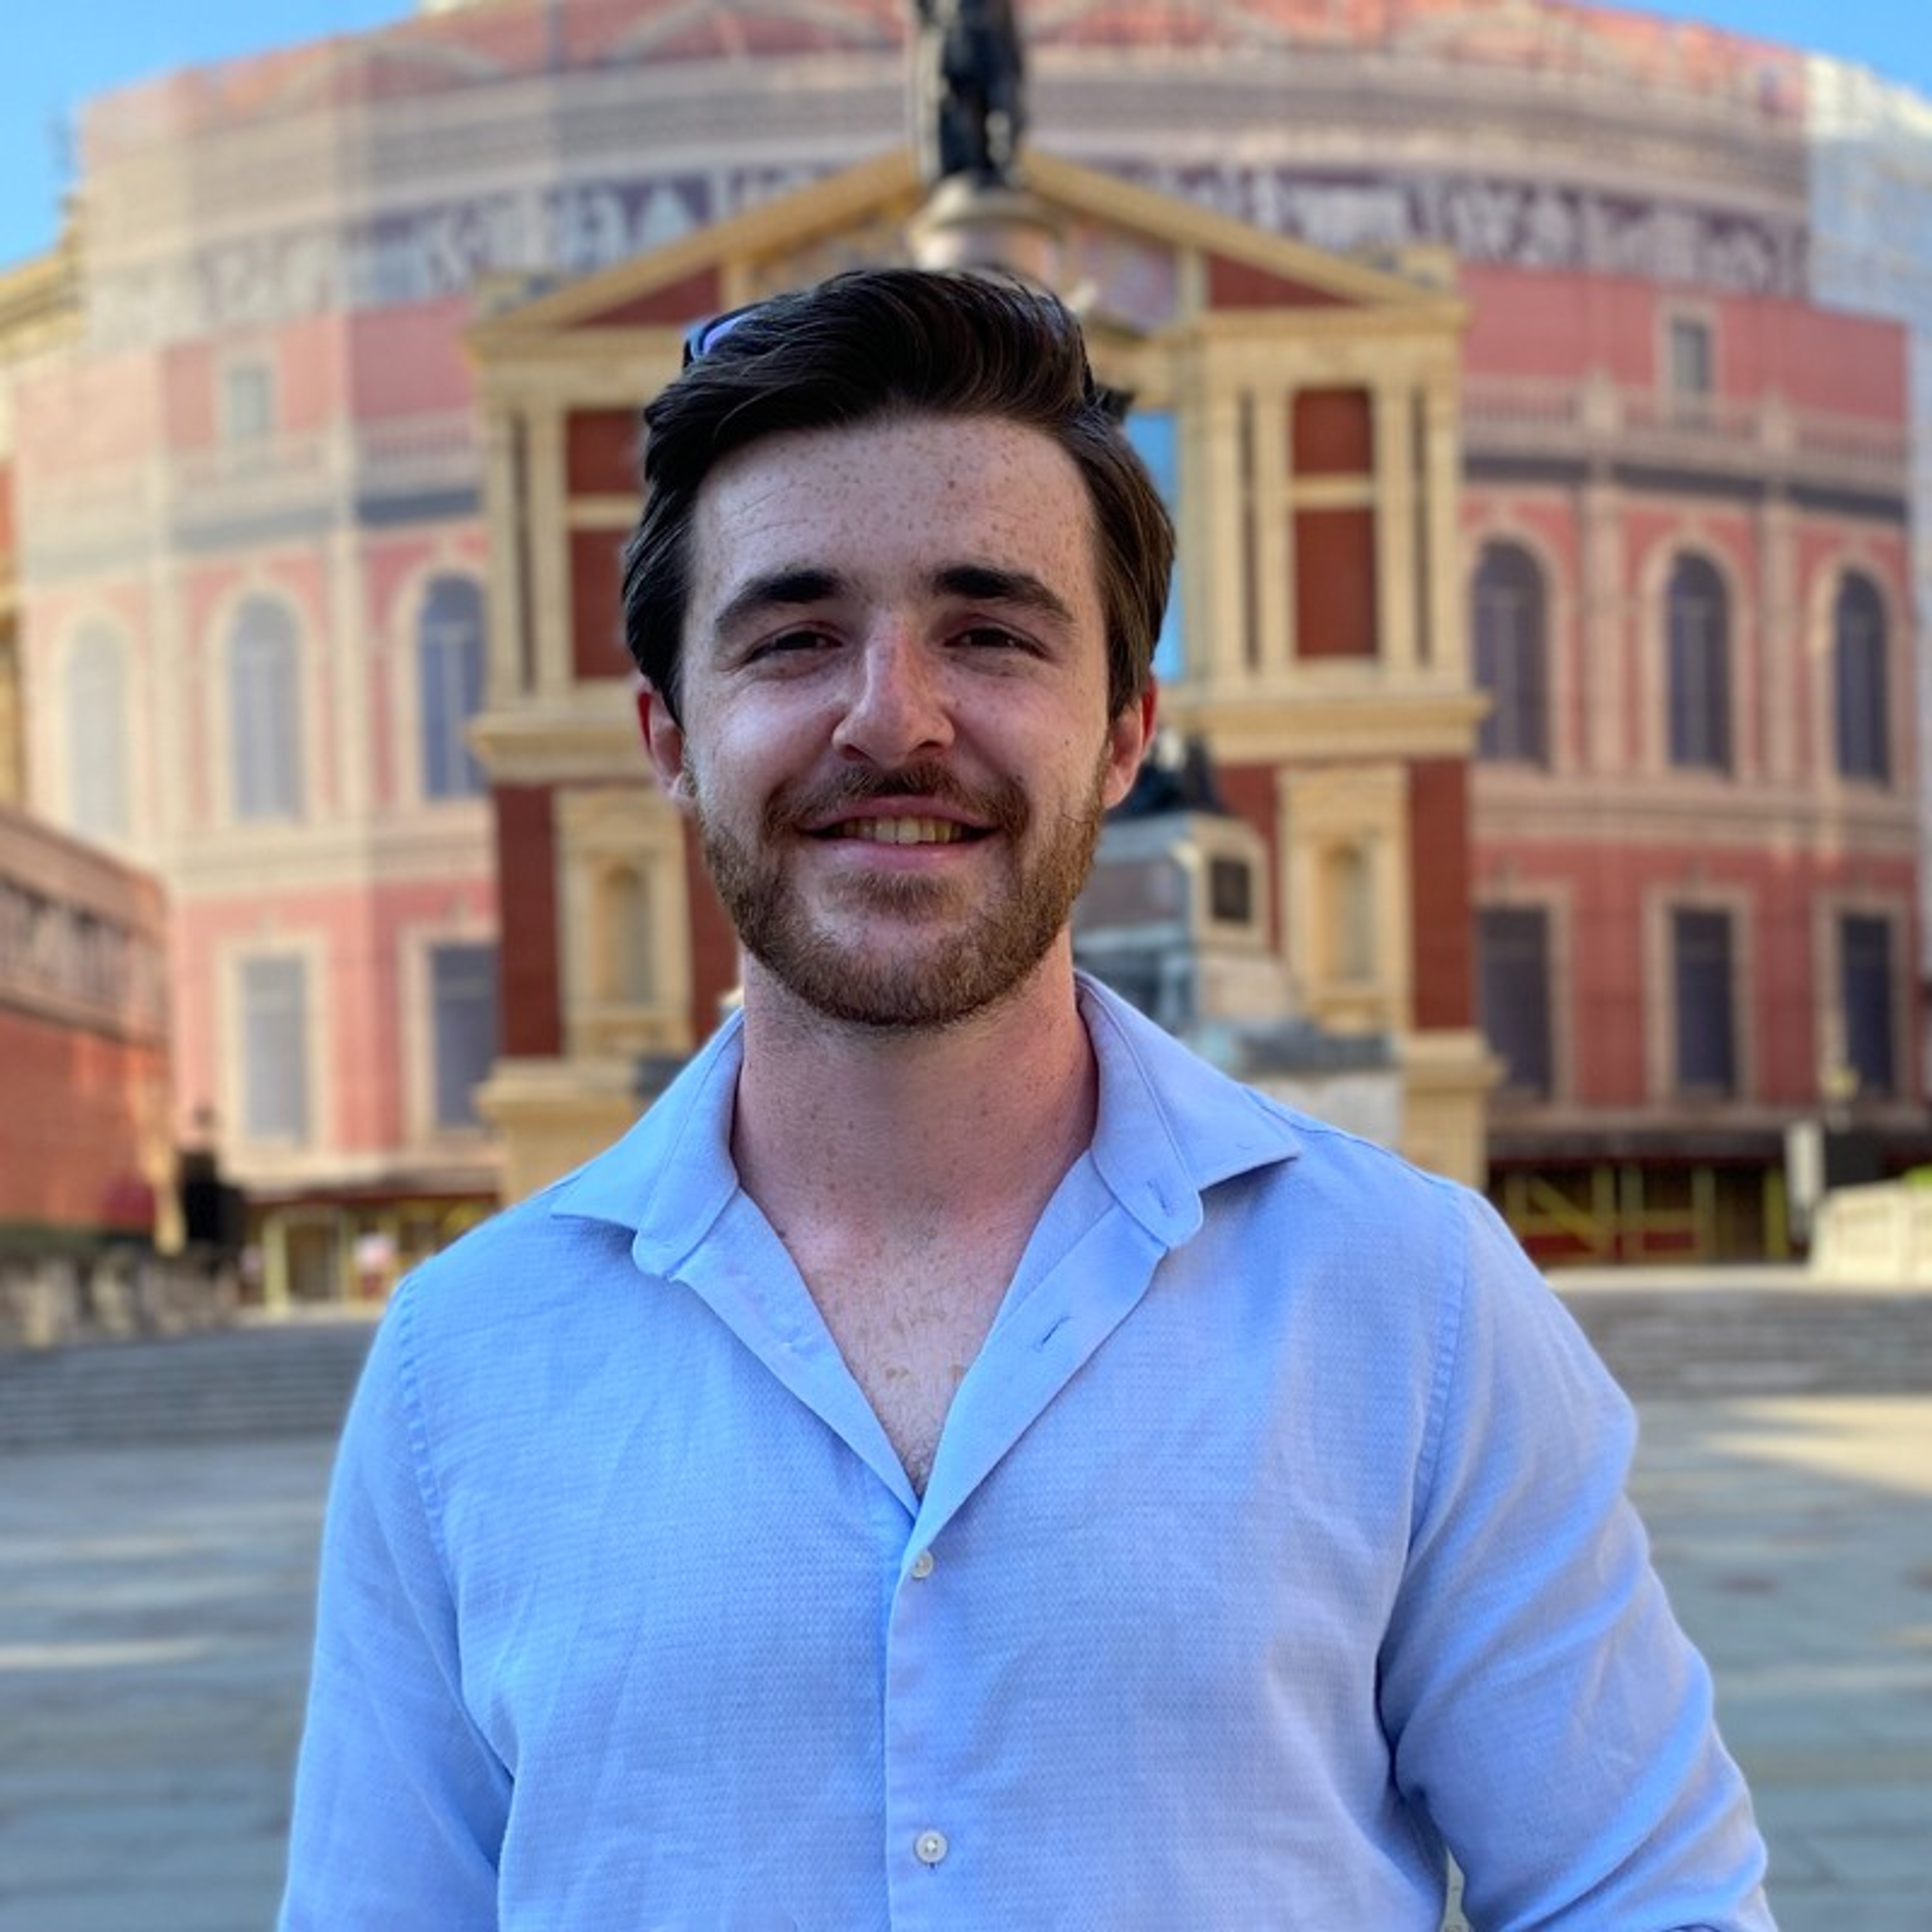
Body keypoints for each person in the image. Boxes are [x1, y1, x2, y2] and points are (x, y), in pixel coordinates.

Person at [279, 268, 1774, 1930]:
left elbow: (1651, 1899)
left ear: (1127, 734)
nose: (893, 719)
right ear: (669, 739)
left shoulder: (1413, 1308)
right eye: (795, 638)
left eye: (989, 633)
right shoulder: (461, 1370)